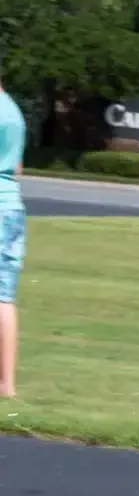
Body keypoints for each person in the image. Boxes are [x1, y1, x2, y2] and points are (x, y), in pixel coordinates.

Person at [0, 74, 27, 398]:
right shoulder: (13, 111)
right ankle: (6, 382)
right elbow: (17, 167)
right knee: (4, 295)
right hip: (11, 205)